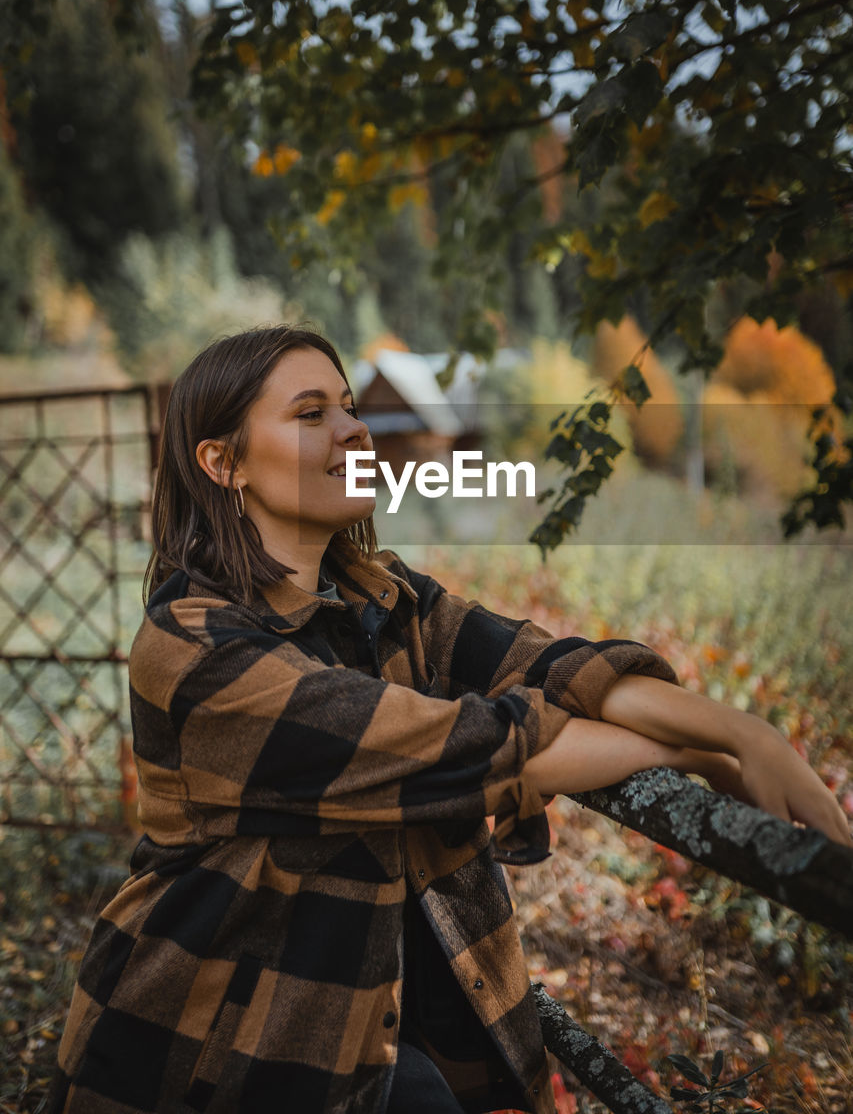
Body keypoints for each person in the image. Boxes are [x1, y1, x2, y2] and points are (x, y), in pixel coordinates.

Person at [49, 325, 850, 1114]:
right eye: (310, 413)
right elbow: (474, 748)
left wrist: (743, 735)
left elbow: (550, 666)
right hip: (219, 1053)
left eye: (349, 406)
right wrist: (705, 749)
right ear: (222, 463)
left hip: (391, 1022)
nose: (355, 428)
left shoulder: (383, 598)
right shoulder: (195, 649)